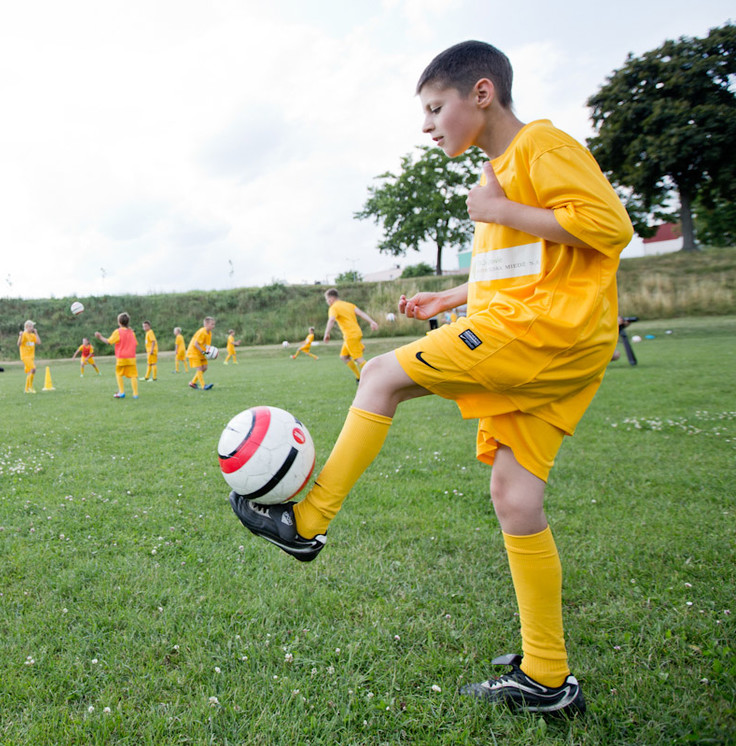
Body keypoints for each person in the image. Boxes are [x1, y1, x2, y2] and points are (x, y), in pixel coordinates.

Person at [230, 40, 633, 718]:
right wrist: (447, 302)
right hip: (549, 339)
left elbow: (609, 226)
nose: (427, 124)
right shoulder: (497, 174)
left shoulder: (538, 146)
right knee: (515, 496)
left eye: (433, 107)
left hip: (546, 335)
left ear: (481, 93)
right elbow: (522, 271)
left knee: (382, 374)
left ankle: (308, 519)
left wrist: (498, 211)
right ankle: (548, 678)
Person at [323, 288, 379, 380]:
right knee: (344, 357)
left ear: (331, 299)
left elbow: (332, 319)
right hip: (356, 332)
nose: (327, 302)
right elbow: (360, 313)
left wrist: (327, 333)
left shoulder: (333, 307)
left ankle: (377, 377)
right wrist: (371, 321)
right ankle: (359, 377)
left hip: (350, 335)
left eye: (327, 300)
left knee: (358, 358)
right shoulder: (349, 305)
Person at [94, 312, 139, 399]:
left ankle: (121, 392)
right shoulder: (132, 332)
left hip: (121, 358)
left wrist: (100, 337)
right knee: (133, 376)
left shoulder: (118, 332)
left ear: (119, 322)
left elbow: (108, 341)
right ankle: (135, 394)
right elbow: (135, 344)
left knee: (118, 374)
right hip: (131, 358)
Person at [186, 316, 216, 390]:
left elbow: (207, 345)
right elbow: (195, 344)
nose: (213, 326)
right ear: (206, 324)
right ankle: (203, 386)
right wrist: (203, 352)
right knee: (199, 368)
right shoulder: (202, 332)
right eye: (212, 324)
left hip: (201, 353)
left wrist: (210, 353)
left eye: (214, 324)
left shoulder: (209, 333)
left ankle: (192, 383)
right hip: (194, 352)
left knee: (205, 368)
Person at [18, 320, 40, 393]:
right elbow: (18, 344)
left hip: (31, 357)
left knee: (30, 372)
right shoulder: (24, 334)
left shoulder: (32, 335)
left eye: (32, 327)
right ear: (26, 327)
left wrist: (36, 333)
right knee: (33, 369)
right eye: (30, 326)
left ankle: (26, 389)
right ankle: (30, 388)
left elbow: (39, 342)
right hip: (25, 356)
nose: (32, 328)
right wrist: (20, 336)